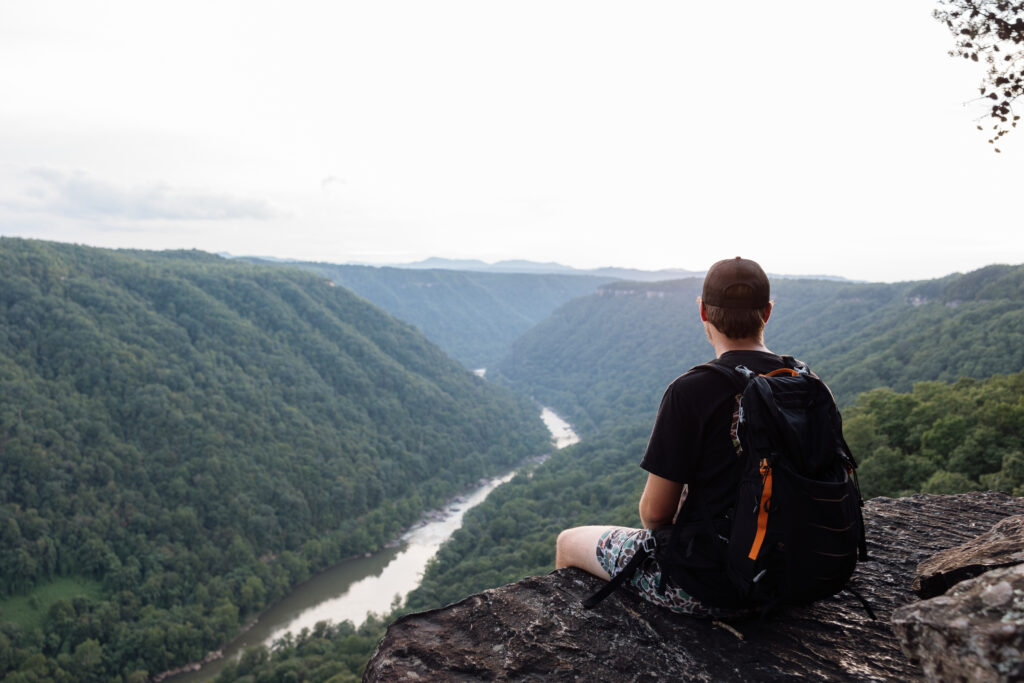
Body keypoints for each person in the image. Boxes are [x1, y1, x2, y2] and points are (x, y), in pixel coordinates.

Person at [554, 256, 788, 617]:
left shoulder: (692, 390)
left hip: (718, 585)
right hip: (795, 574)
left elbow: (654, 515)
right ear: (768, 312)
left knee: (568, 542)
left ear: (703, 313)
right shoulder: (805, 382)